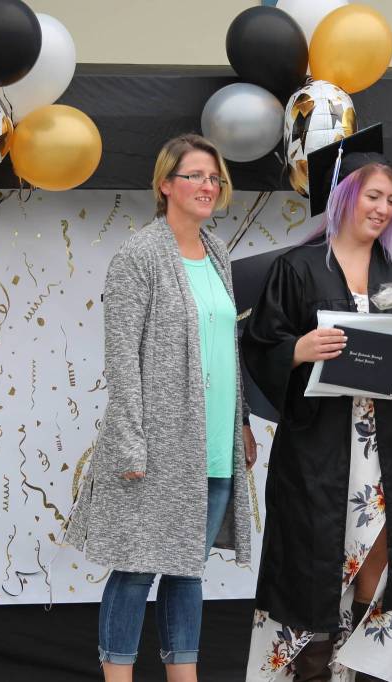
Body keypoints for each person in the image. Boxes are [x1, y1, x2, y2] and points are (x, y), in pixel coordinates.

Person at [241, 125, 392, 682]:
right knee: (311, 563)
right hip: (318, 447)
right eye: (373, 195)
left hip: (386, 446)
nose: (385, 208)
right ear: (343, 195)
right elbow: (260, 346)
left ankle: (363, 673)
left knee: (378, 566)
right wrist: (297, 349)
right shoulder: (298, 269)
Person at [64, 133, 257, 682]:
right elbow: (121, 356)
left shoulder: (217, 251)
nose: (206, 185)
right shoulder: (140, 255)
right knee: (135, 568)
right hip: (158, 444)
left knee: (186, 571)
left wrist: (240, 423)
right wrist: (129, 438)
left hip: (214, 440)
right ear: (165, 184)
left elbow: (227, 347)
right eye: (194, 175)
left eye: (214, 177)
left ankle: (184, 676)